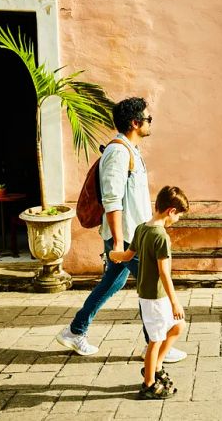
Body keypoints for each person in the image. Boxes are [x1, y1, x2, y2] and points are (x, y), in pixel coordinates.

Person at [55, 97, 187, 364]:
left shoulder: (130, 150)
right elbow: (112, 201)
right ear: (135, 123)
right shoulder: (118, 153)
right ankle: (155, 344)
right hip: (128, 239)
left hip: (134, 235)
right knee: (154, 286)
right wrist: (118, 244)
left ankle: (74, 331)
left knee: (110, 285)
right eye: (148, 119)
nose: (151, 123)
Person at [109, 186, 189, 400]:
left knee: (178, 326)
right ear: (171, 211)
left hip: (152, 296)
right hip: (156, 297)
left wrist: (111, 254)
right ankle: (149, 384)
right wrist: (175, 302)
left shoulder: (142, 228)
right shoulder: (161, 236)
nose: (178, 219)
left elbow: (126, 256)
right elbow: (164, 273)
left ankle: (156, 366)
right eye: (179, 215)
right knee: (155, 340)